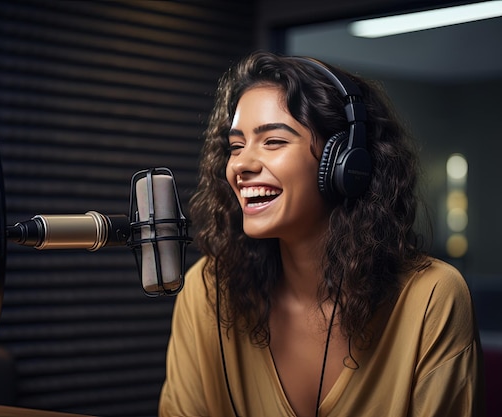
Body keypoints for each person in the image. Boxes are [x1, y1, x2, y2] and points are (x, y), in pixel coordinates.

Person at [158, 51, 484, 417]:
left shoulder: (432, 298)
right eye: (236, 147)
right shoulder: (207, 289)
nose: (241, 165)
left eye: (274, 142)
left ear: (346, 164)